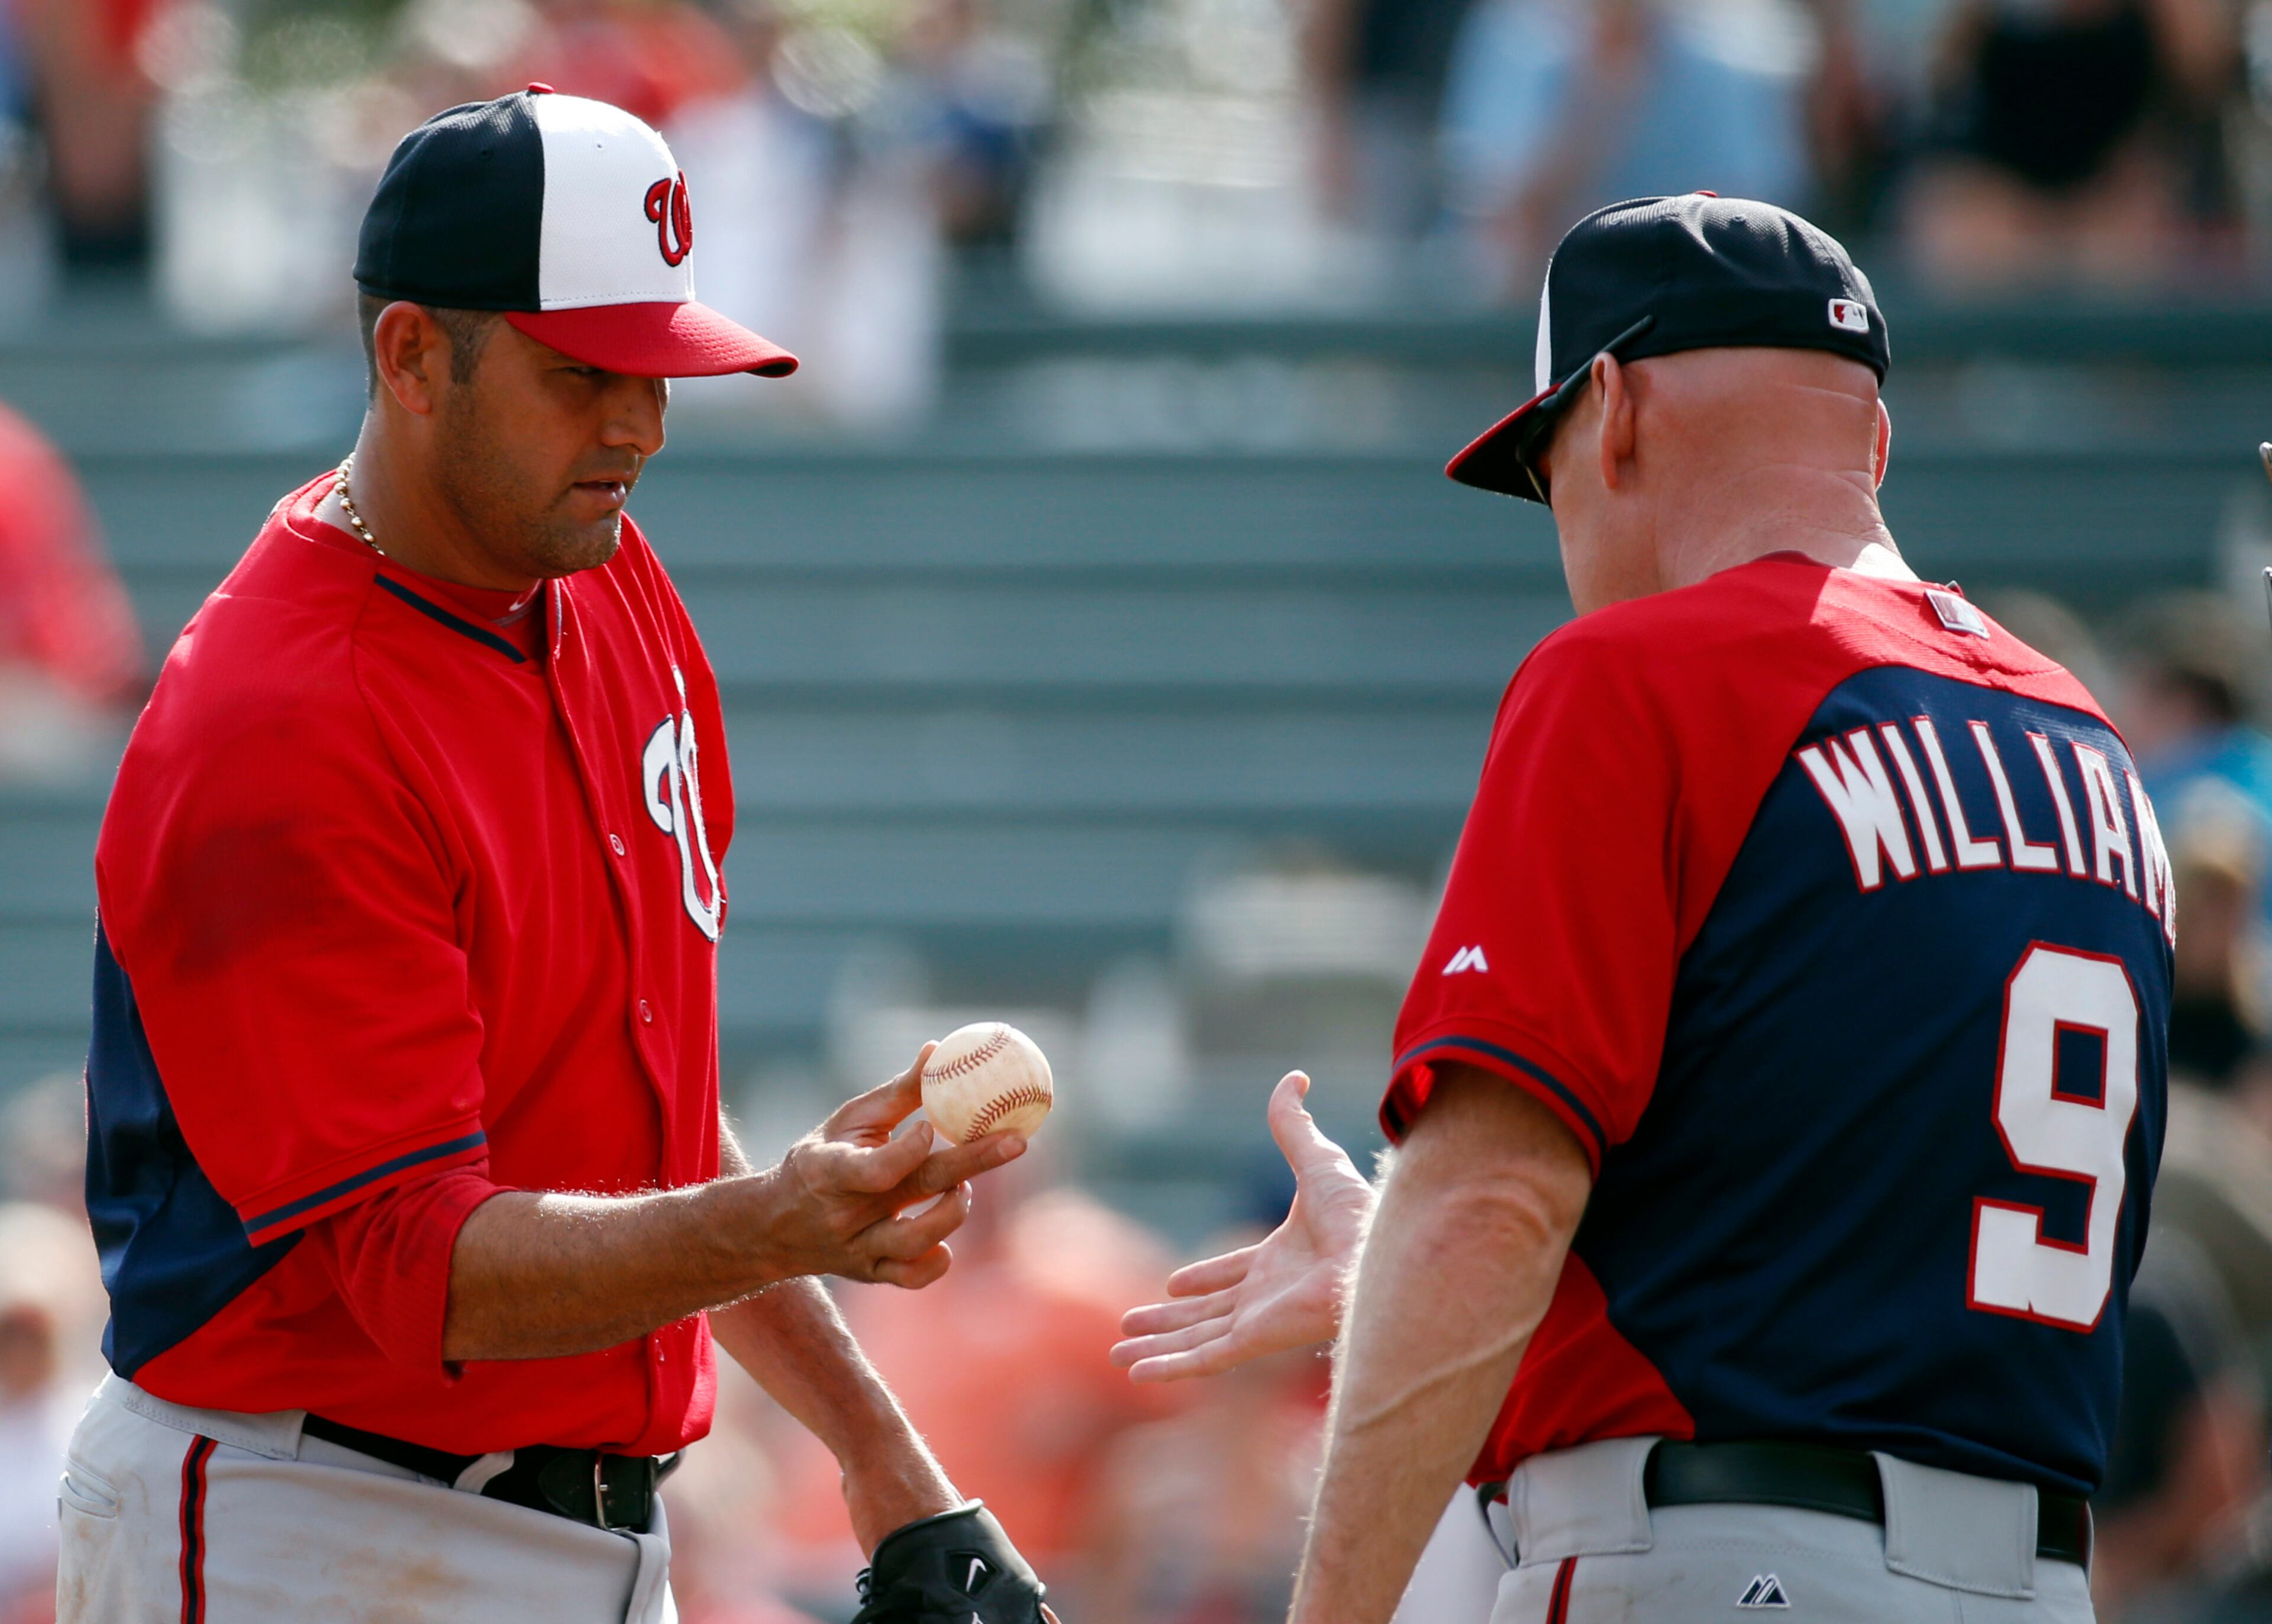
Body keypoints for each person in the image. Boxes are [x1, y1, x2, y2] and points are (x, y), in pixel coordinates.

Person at [63, 89, 1051, 1624]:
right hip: (305, 1521)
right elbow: (418, 1268)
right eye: (581, 372)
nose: (639, 427)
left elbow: (626, 1113)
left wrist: (881, 1450)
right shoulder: (278, 724)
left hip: (590, 1535)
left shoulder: (598, 578)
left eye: (655, 368)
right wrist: (778, 1222)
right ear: (409, 356)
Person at [1119, 195, 2173, 1623]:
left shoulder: (1638, 678)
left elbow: (1493, 1203)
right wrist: (1392, 1279)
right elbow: (1839, 1212)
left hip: (1716, 1564)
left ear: (1606, 408)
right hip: (2035, 1580)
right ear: (1872, 438)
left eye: (1544, 469)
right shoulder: (2087, 739)